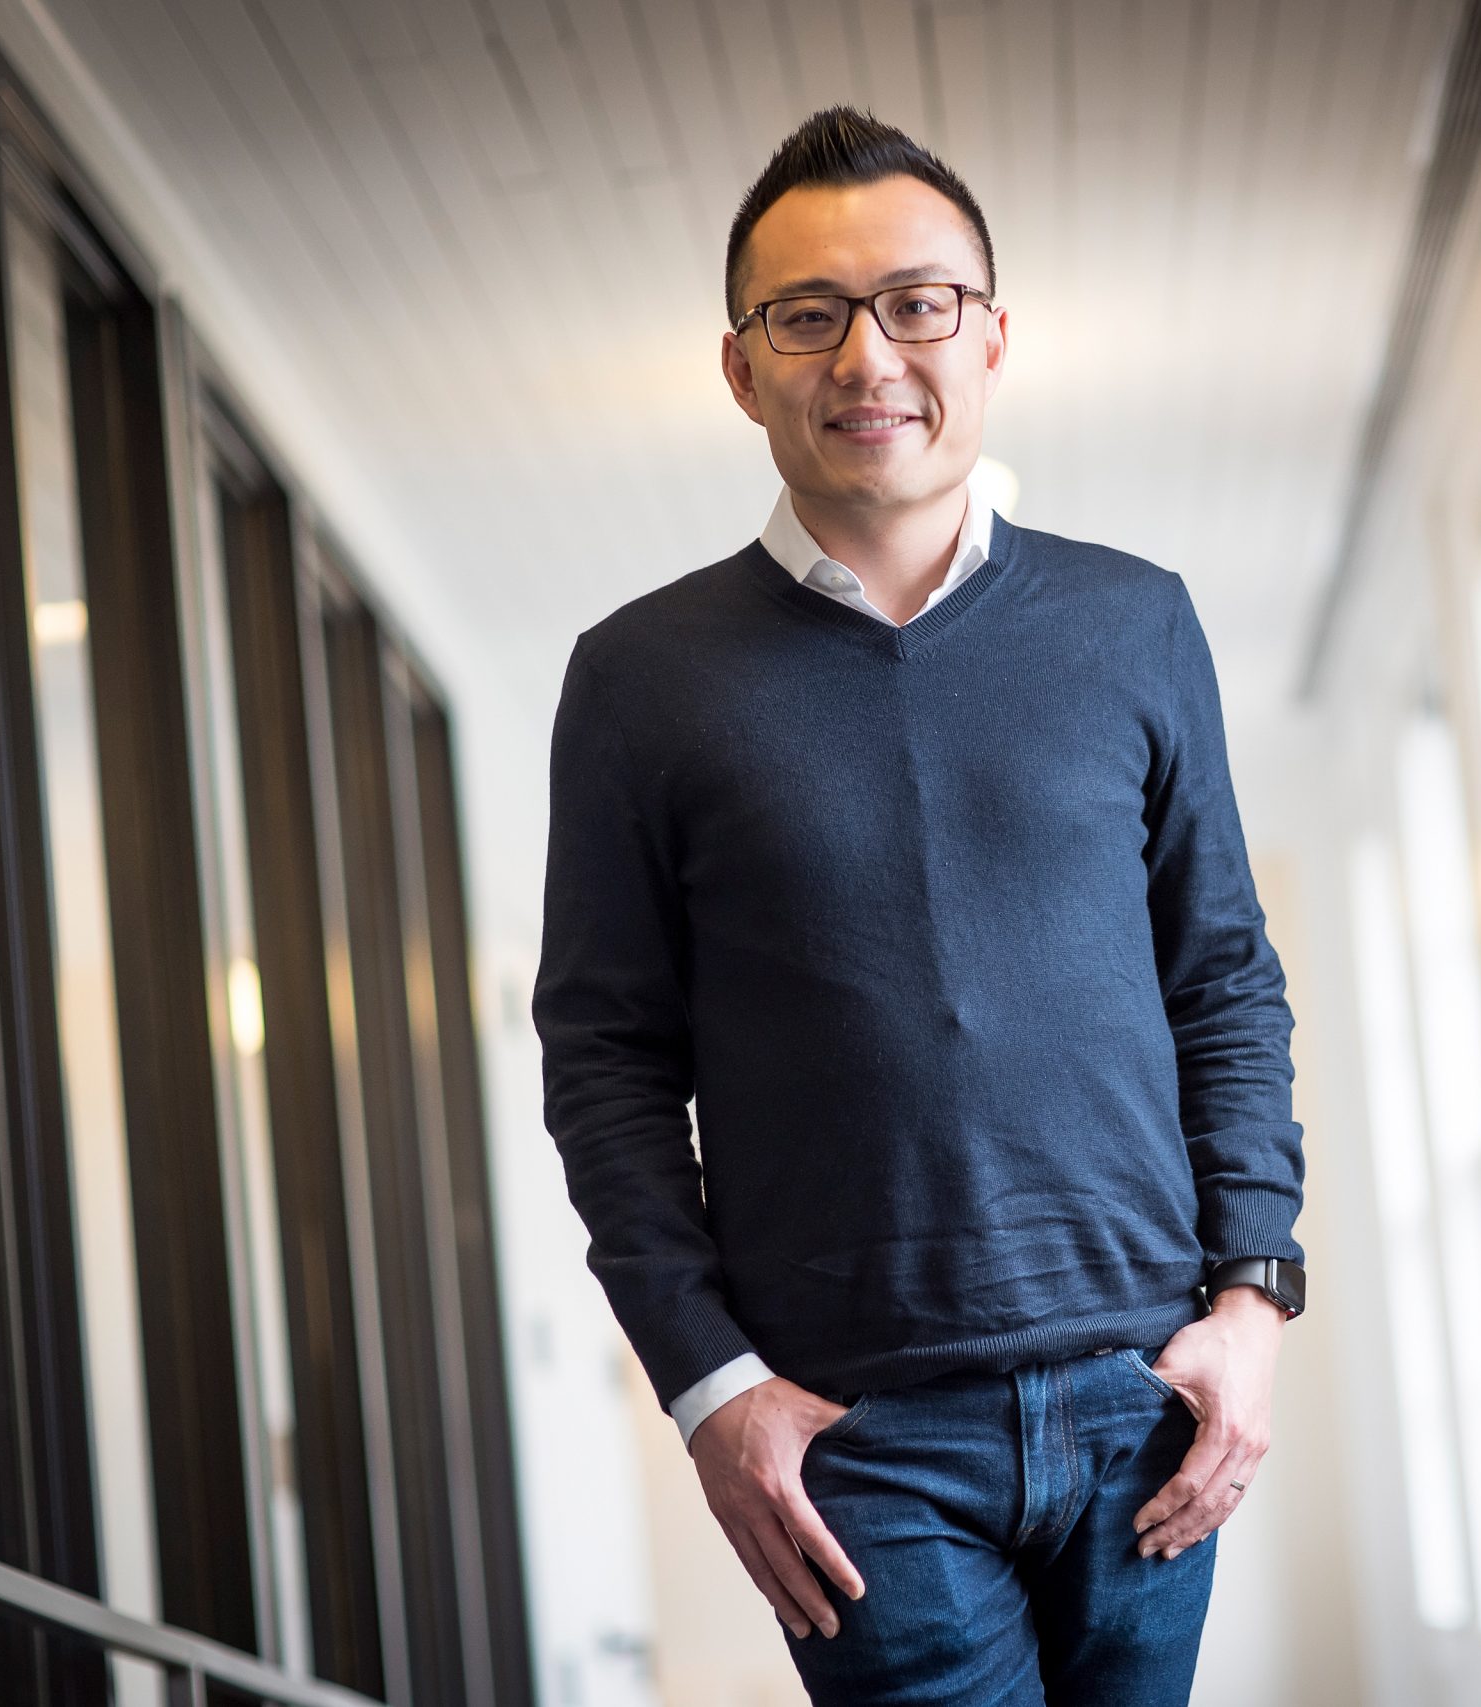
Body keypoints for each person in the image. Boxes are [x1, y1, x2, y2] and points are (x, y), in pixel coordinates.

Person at [533, 105, 1308, 1706]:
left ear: (992, 334)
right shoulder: (639, 682)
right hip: (856, 1444)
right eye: (806, 315)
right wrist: (709, 1388)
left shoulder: (1135, 623)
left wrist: (1254, 1299)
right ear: (742, 368)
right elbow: (605, 1062)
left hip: (1144, 1400)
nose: (868, 354)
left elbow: (1222, 979)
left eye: (916, 302)